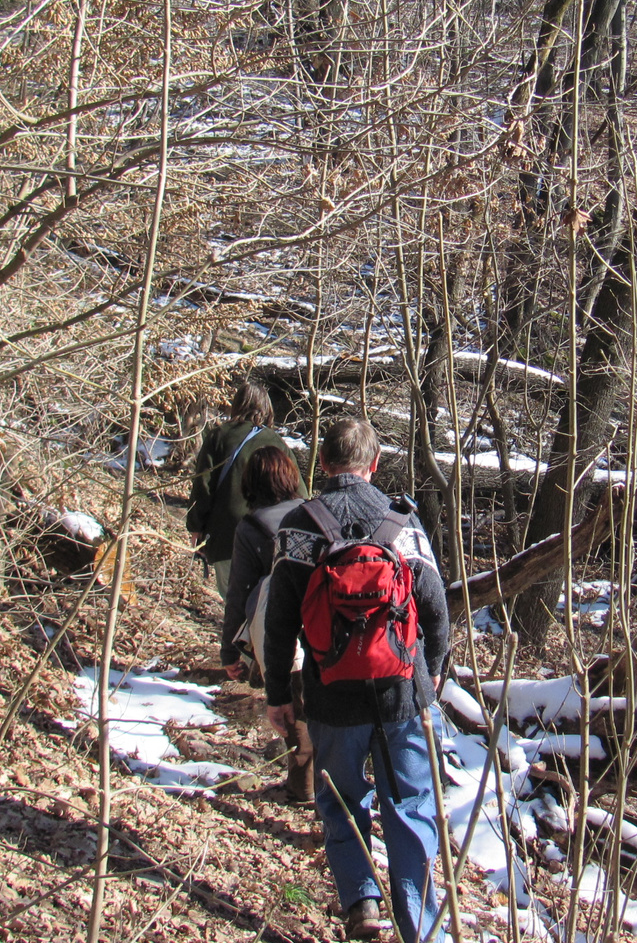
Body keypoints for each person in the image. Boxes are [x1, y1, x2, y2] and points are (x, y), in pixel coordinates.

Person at [263, 417, 451, 943]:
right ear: (373, 465)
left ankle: (363, 906)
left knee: (342, 800)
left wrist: (279, 694)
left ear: (322, 465)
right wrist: (429, 678)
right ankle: (420, 926)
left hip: (330, 695)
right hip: (401, 695)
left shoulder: (299, 526)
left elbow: (279, 622)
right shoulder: (403, 523)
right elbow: (435, 610)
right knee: (410, 806)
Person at [219, 445, 314, 801]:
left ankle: (302, 789)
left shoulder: (251, 527)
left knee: (294, 705)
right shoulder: (312, 512)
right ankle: (328, 790)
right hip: (324, 625)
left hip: (281, 630)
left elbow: (238, 591)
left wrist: (230, 650)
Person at [186, 380, 301, 596]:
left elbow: (203, 486)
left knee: (234, 608)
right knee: (262, 610)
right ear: (266, 409)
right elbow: (299, 494)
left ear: (237, 404)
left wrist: (195, 527)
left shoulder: (218, 436)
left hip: (226, 536)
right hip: (270, 538)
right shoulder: (277, 443)